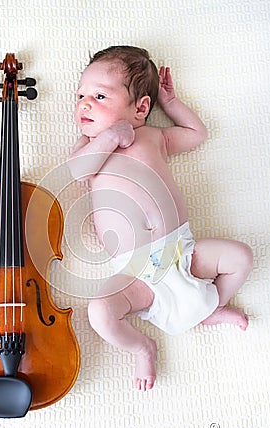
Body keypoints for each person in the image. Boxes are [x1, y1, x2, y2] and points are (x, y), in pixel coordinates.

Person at [67, 46, 253, 391]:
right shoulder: (88, 146)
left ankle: (213, 307)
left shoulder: (153, 136)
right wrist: (107, 138)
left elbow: (197, 134)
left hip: (183, 252)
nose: (84, 103)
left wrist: (171, 103)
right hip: (136, 272)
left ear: (140, 107)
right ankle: (142, 347)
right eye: (80, 95)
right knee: (100, 313)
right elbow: (78, 173)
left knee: (241, 256)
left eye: (99, 95)